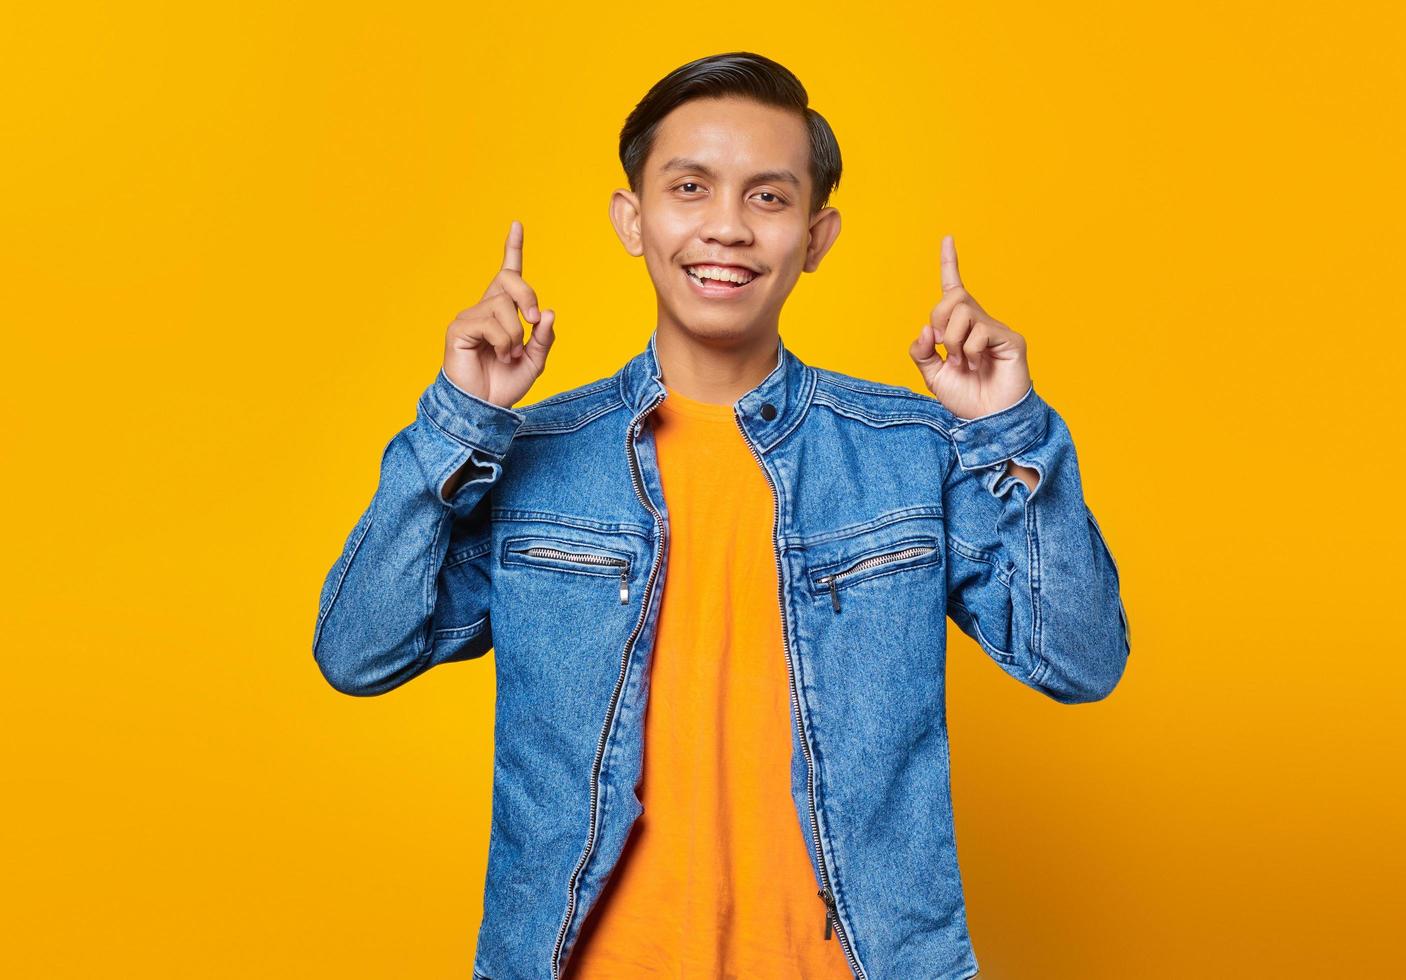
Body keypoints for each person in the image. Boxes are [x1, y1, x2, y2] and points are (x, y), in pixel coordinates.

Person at [313, 51, 1130, 980]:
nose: (727, 228)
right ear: (633, 218)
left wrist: (1009, 432)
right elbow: (360, 653)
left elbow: (1080, 661)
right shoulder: (532, 453)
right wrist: (463, 421)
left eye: (768, 199)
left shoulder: (911, 450)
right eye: (691, 187)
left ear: (817, 236)